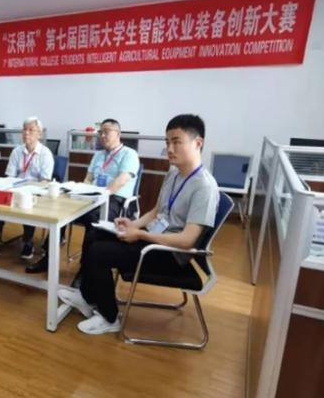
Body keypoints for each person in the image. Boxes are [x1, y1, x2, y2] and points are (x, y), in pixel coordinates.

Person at [58, 114, 219, 335]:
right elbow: (156, 211)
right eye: (167, 142)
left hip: (169, 253)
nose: (169, 148)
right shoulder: (174, 174)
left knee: (99, 251)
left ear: (198, 143)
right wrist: (133, 224)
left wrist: (141, 235)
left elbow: (188, 240)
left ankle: (109, 317)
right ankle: (88, 296)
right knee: (95, 234)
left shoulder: (204, 187)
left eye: (176, 142)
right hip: (153, 238)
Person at [26, 118, 140, 276]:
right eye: (101, 132)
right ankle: (47, 259)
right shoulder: (98, 155)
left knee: (93, 220)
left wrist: (102, 195)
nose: (102, 136)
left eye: (106, 132)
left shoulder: (129, 154)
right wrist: (82, 191)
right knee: (62, 210)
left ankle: (85, 269)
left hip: (115, 199)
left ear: (118, 134)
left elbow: (121, 180)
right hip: (92, 197)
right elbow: (89, 178)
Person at [0, 116, 54, 260]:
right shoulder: (17, 151)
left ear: (39, 134)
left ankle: (28, 242)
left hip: (35, 193)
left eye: (31, 130)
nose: (26, 133)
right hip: (15, 189)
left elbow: (44, 181)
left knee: (27, 203)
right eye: (24, 130)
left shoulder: (45, 154)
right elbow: (10, 176)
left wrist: (27, 190)